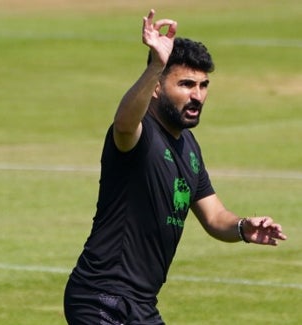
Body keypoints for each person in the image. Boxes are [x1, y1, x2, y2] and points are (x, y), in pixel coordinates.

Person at [63, 9, 287, 325]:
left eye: (203, 85)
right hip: (100, 297)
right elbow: (124, 123)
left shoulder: (189, 148)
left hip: (142, 305)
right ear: (157, 87)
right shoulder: (139, 137)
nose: (197, 96)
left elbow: (214, 217)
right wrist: (157, 64)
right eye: (185, 84)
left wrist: (242, 228)